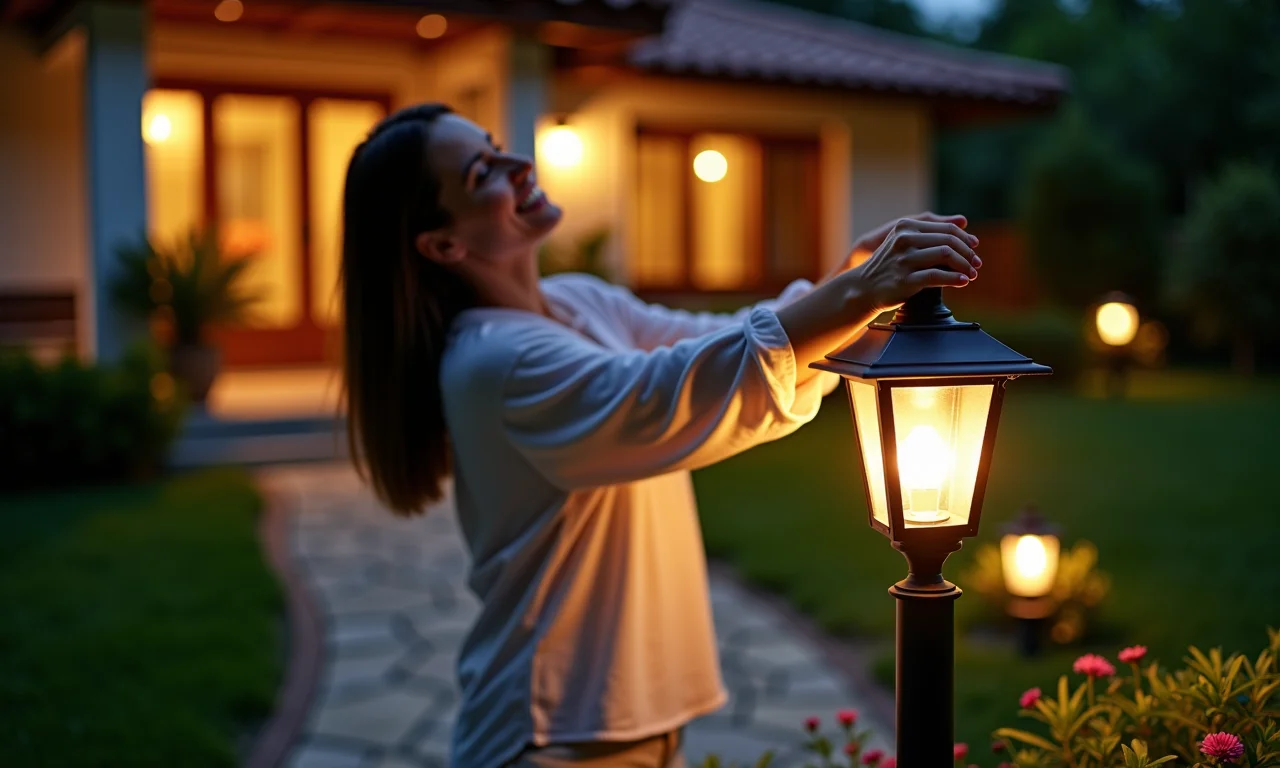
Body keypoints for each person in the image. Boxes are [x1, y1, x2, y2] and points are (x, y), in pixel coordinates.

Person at [340, 103, 981, 768]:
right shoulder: (495, 363)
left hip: (621, 722)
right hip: (554, 731)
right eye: (482, 172)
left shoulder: (576, 302)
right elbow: (671, 390)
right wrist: (855, 293)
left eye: (498, 146)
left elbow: (718, 341)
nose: (518, 164)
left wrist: (847, 280)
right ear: (443, 244)